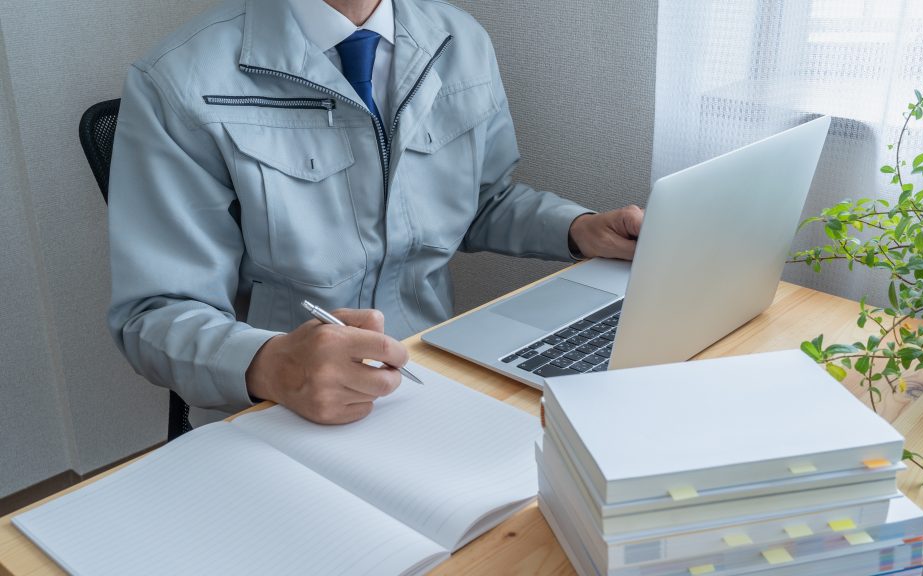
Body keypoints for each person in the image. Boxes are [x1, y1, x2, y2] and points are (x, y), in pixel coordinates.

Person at [107, 0, 644, 426]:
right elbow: (154, 314)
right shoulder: (177, 83)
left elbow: (482, 200)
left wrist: (579, 230)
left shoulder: (461, 41)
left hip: (432, 377)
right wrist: (273, 365)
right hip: (275, 411)